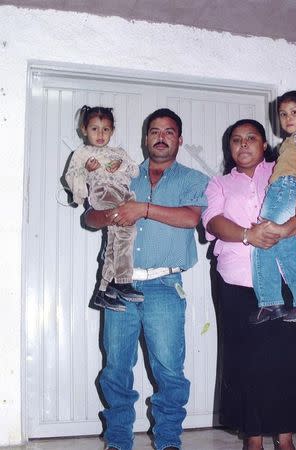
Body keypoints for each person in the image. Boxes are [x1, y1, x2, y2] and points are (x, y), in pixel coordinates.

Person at [202, 118, 296, 450]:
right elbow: (213, 221)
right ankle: (254, 439)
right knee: (248, 361)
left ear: (264, 145)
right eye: (236, 140)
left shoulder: (284, 168)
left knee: (287, 359)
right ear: (229, 149)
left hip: (290, 280)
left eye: (251, 138)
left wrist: (280, 232)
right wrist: (249, 235)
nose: (243, 144)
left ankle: (285, 438)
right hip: (239, 282)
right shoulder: (218, 183)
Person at [84, 108, 209, 450]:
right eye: (154, 131)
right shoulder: (123, 174)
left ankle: (168, 441)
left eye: (169, 131)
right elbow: (90, 218)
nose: (161, 137)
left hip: (165, 287)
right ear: (145, 138)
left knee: (169, 371)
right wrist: (111, 213)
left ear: (179, 140)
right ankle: (118, 441)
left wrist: (142, 210)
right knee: (116, 369)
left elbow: (190, 219)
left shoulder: (193, 180)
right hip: (118, 286)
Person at [250, 88, 296, 325]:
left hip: (287, 190)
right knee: (283, 246)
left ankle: (271, 303)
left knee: (262, 241)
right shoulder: (293, 140)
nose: (288, 118)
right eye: (283, 114)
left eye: (294, 112)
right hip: (284, 190)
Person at [65, 105, 143, 312]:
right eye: (94, 129)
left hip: (123, 195)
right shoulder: (82, 153)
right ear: (84, 130)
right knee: (125, 230)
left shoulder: (119, 153)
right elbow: (71, 178)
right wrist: (85, 171)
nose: (100, 134)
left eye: (105, 129)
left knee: (116, 239)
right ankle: (122, 281)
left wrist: (121, 165)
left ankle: (104, 290)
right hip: (103, 192)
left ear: (112, 131)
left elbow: (135, 170)